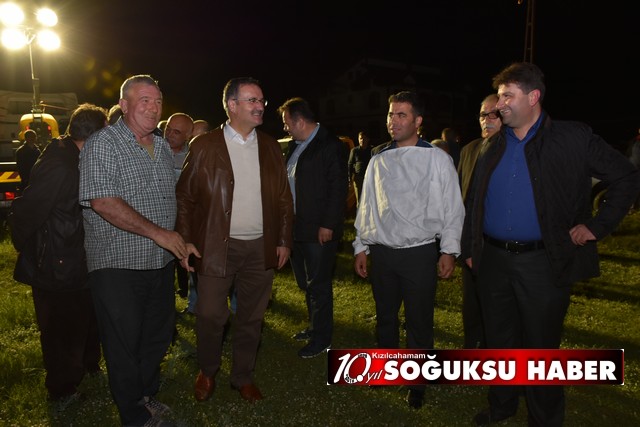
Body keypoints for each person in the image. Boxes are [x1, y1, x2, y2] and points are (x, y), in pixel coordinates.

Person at [461, 62, 640, 426]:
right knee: (499, 339)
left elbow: (626, 176)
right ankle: (502, 406)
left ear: (533, 97)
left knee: (540, 346)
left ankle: (543, 419)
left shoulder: (572, 138)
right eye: (499, 97)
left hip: (542, 262)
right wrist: (469, 249)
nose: (499, 105)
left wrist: (596, 226)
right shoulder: (491, 145)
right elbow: (474, 202)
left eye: (507, 96)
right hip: (493, 260)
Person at [79, 75, 193, 427]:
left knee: (157, 335)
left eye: (157, 101)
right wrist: (160, 234)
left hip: (159, 262)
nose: (153, 107)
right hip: (118, 263)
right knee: (124, 343)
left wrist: (179, 239)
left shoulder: (161, 146)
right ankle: (133, 415)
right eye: (144, 100)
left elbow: (167, 201)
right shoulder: (103, 143)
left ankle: (145, 396)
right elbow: (102, 201)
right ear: (124, 105)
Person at [175, 77, 293, 403]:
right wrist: (185, 240)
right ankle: (208, 370)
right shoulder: (204, 145)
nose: (260, 106)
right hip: (215, 246)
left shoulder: (270, 146)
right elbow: (184, 197)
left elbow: (284, 198)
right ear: (232, 105)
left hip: (260, 247)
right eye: (252, 100)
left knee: (252, 316)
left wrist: (284, 240)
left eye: (261, 101)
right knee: (210, 314)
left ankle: (242, 376)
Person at [353, 91, 464, 409]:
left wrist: (448, 250)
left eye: (402, 115)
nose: (394, 121)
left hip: (419, 253)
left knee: (419, 320)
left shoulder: (437, 159)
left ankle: (417, 382)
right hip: (383, 253)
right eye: (391, 114)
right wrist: (361, 245)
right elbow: (367, 205)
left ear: (418, 121)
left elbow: (452, 207)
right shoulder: (378, 159)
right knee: (385, 317)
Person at [9, 103, 106, 411]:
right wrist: (31, 248)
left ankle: (87, 365)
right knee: (61, 330)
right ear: (94, 136)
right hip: (57, 263)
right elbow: (28, 210)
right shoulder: (60, 165)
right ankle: (62, 390)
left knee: (83, 318)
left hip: (73, 258)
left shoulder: (73, 157)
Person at [278, 97, 348, 359]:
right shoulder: (295, 147)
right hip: (297, 227)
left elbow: (338, 188)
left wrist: (328, 224)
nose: (285, 128)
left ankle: (322, 338)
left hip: (318, 229)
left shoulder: (330, 145)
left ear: (299, 121)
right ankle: (314, 326)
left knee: (318, 285)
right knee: (305, 282)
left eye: (286, 122)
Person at [456, 93, 502, 349]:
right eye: (483, 114)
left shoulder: (513, 150)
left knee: (497, 311)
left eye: (494, 114)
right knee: (471, 308)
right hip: (471, 243)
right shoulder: (469, 150)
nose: (487, 119)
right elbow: (462, 200)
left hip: (500, 248)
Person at [164, 112, 195, 303]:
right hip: (158, 219)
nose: (169, 134)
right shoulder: (154, 149)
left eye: (176, 132)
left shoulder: (193, 156)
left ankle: (191, 298)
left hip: (183, 219)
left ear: (187, 136)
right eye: (167, 129)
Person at [347, 131, 373, 207]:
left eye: (364, 138)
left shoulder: (372, 150)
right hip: (358, 178)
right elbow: (350, 164)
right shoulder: (354, 151)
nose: (362, 140)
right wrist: (350, 179)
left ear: (368, 139)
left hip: (369, 178)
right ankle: (359, 214)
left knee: (370, 199)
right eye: (361, 138)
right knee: (359, 200)